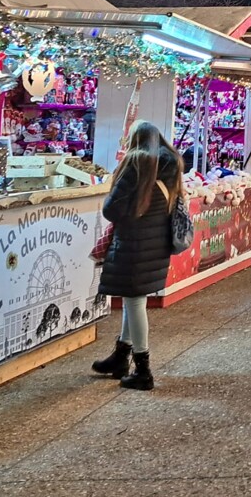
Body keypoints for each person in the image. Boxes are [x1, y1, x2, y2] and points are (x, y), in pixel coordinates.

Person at [92, 120, 182, 391]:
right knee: (135, 299)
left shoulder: (136, 165)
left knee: (134, 302)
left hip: (133, 243)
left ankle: (143, 369)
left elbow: (111, 209)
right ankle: (121, 356)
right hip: (155, 244)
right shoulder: (170, 167)